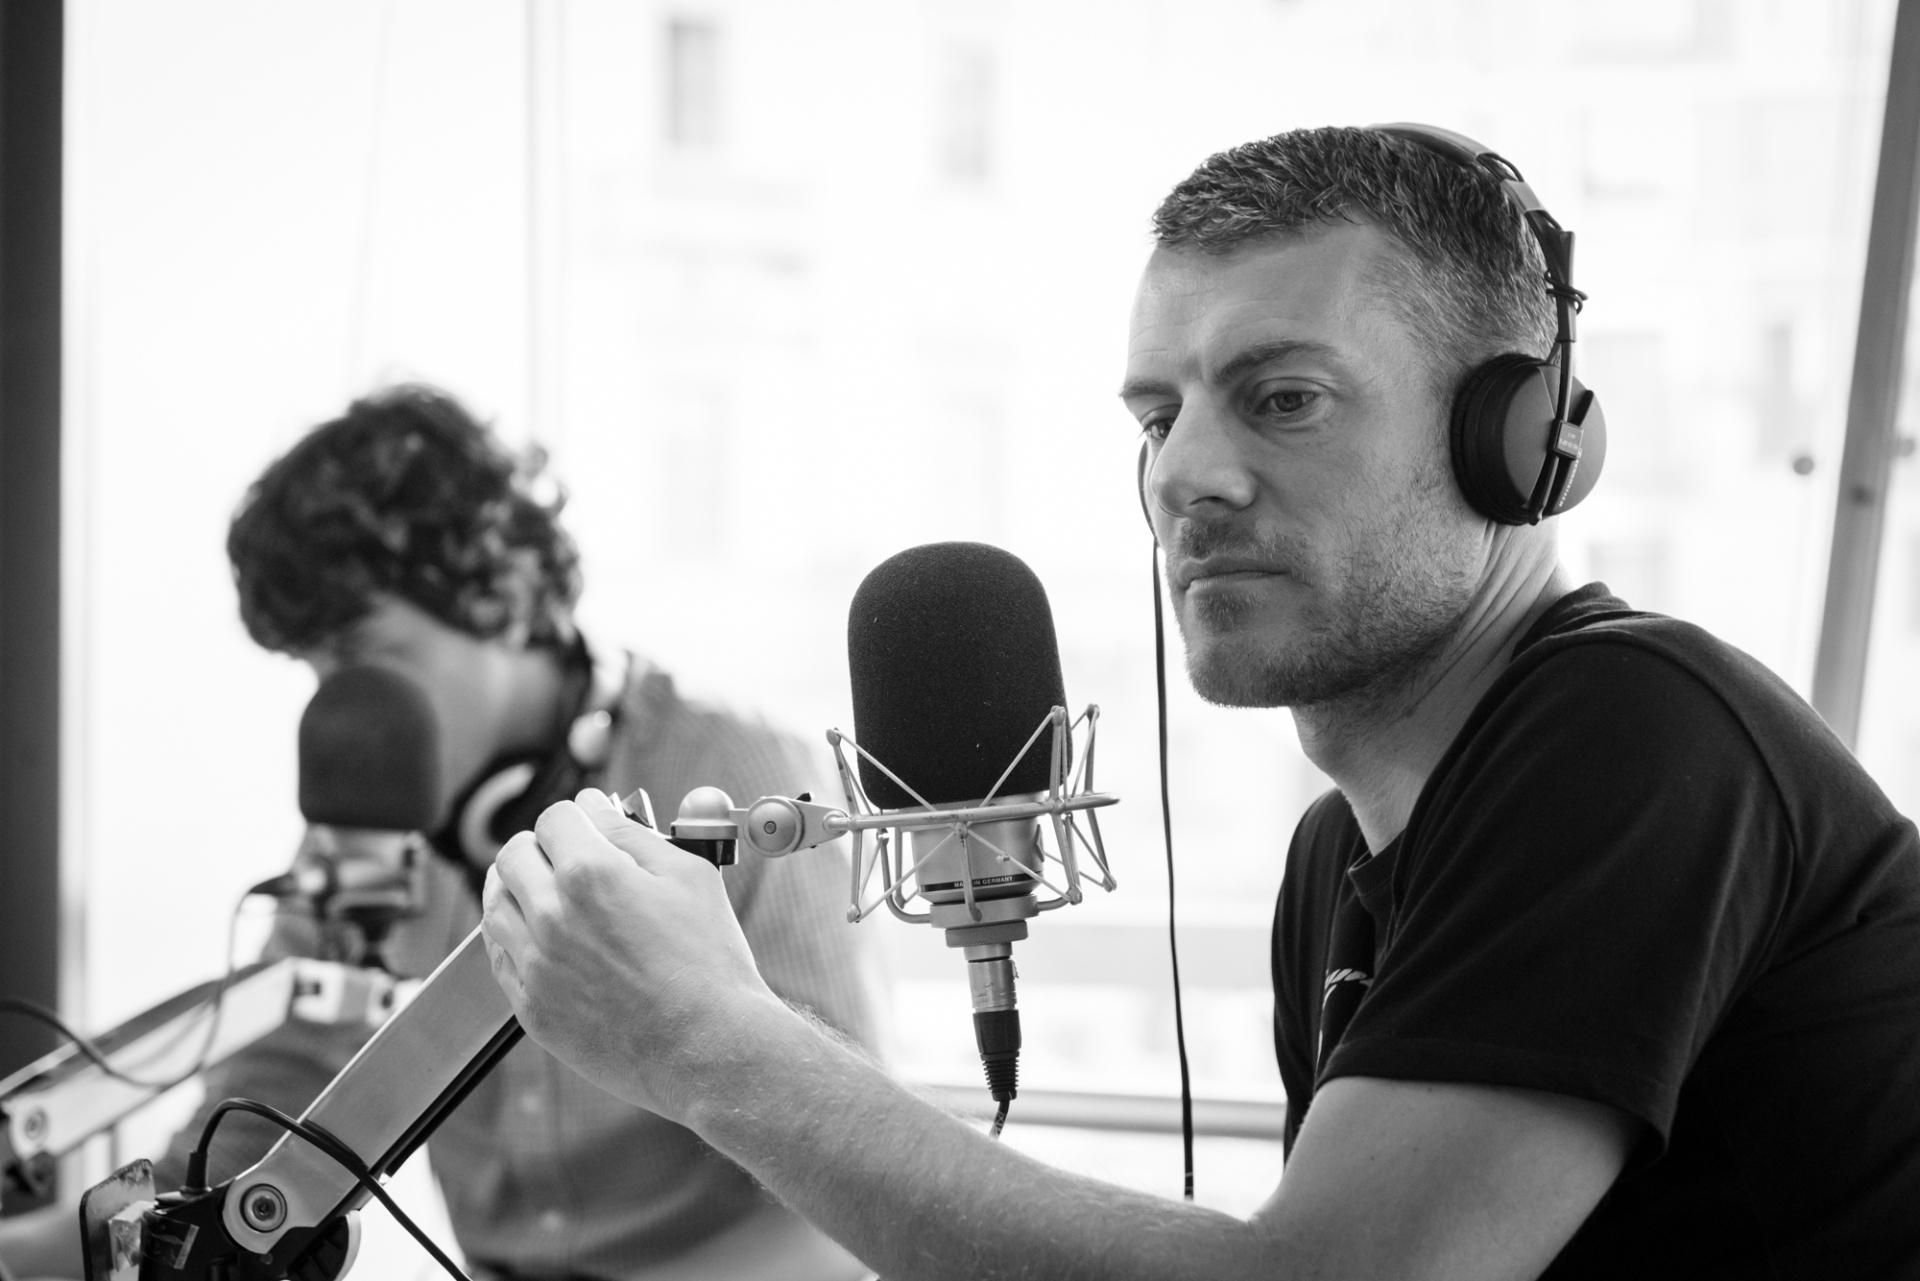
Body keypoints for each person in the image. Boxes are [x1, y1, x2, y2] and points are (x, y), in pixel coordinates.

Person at [475, 123, 1920, 1280]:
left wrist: (712, 1044)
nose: (1181, 478)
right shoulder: (1338, 859)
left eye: (1284, 398)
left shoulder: (1634, 734)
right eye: (1159, 418)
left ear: (1519, 437)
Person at [0, 384, 881, 1281]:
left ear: (502, 593)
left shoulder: (738, 780)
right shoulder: (371, 835)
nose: (342, 712)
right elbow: (245, 1145)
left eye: (366, 659)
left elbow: (844, 1200)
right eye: (313, 670)